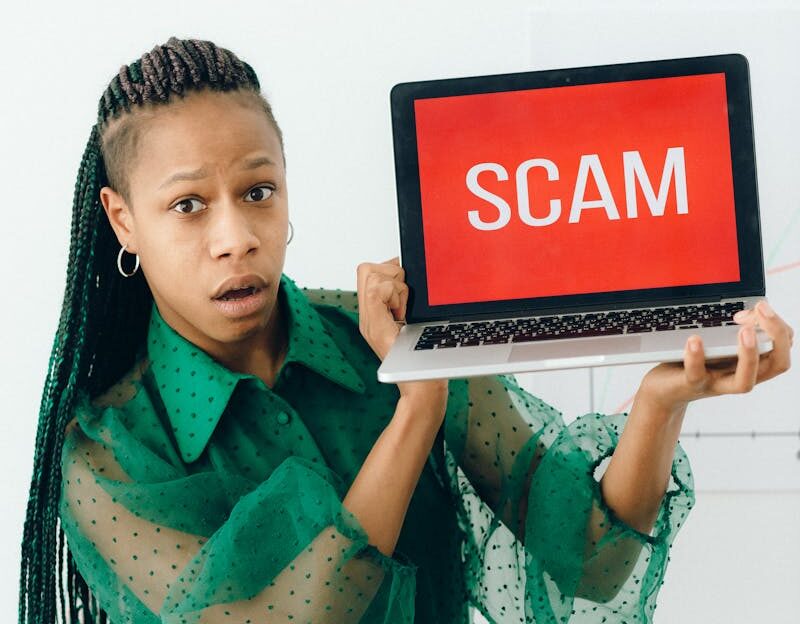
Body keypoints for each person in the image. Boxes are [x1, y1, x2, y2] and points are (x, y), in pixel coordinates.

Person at [17, 36, 794, 624]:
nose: (236, 237)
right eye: (189, 205)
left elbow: (593, 562)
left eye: (258, 191)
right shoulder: (109, 453)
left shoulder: (381, 336)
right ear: (123, 220)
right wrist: (417, 406)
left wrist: (662, 400)